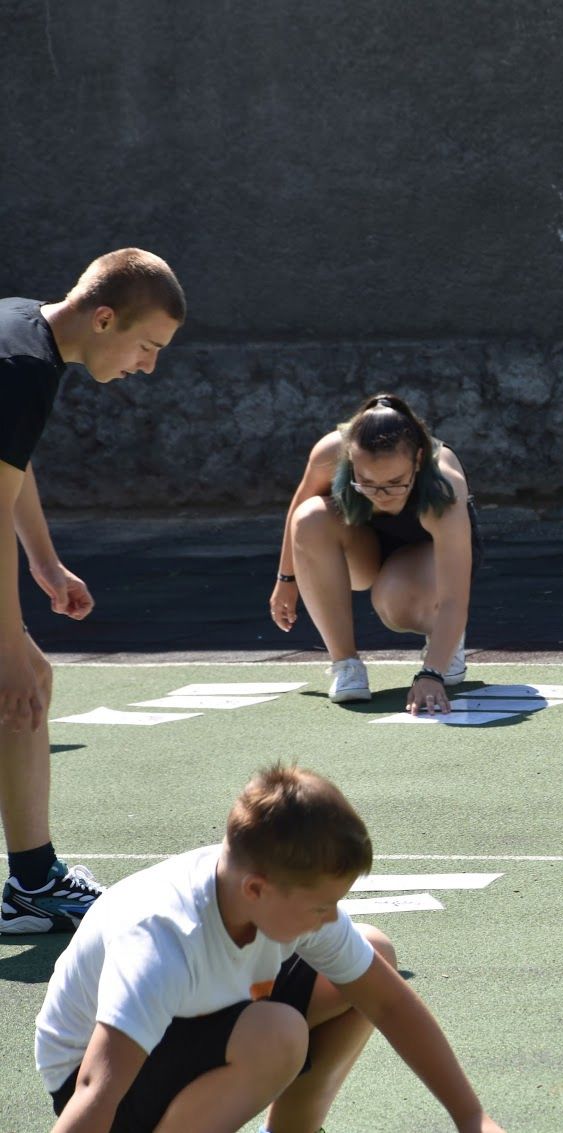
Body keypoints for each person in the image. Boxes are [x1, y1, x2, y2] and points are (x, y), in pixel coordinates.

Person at [35, 763, 505, 1132]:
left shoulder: (268, 891)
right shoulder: (160, 941)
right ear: (257, 890)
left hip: (184, 1026)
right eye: (321, 906)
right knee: (277, 1034)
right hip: (101, 1085)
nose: (331, 918)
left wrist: (471, 1118)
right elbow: (96, 1089)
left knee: (372, 951)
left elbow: (388, 1003)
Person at [1, 249, 185, 935]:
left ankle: (33, 882)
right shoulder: (22, 367)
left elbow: (10, 467)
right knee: (18, 683)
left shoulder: (24, 331)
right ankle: (34, 881)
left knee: (27, 688)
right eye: (147, 346)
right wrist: (7, 649)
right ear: (104, 319)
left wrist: (45, 563)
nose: (149, 366)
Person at [270, 393, 479, 712]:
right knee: (310, 516)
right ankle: (346, 665)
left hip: (427, 561)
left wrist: (431, 674)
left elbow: (455, 599)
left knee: (395, 600)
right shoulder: (330, 452)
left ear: (418, 460)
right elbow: (299, 509)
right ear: (351, 460)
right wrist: (286, 579)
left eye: (395, 482)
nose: (381, 495)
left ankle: (445, 640)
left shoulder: (443, 482)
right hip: (365, 548)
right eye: (366, 482)